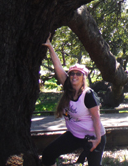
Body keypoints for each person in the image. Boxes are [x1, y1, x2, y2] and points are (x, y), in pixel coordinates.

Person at [41, 36, 106, 166]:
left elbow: (96, 118)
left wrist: (97, 139)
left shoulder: (88, 95)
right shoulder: (68, 89)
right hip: (74, 135)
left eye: (78, 74)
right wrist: (50, 47)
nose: (74, 76)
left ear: (83, 77)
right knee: (48, 154)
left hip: (92, 137)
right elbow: (58, 67)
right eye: (72, 73)